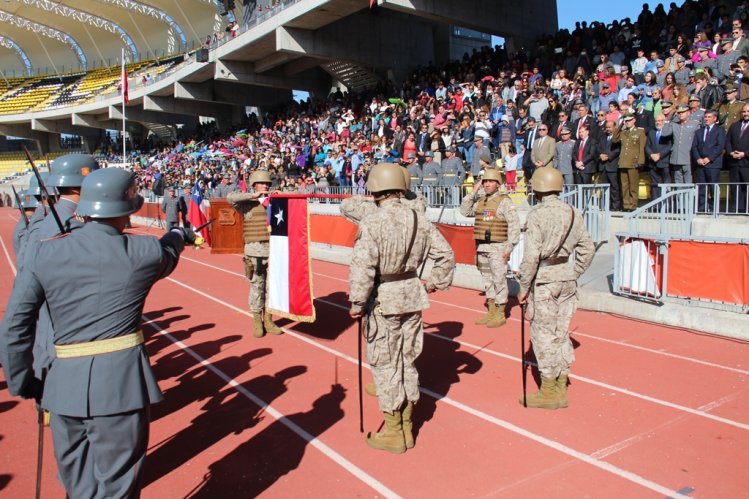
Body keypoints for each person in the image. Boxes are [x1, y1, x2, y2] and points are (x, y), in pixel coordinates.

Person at [0, 167, 190, 497]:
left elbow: (15, 325)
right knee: (117, 488)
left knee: (79, 489)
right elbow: (169, 251)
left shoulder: (44, 252)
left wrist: (23, 382)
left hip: (61, 389)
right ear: (128, 210)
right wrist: (178, 234)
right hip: (121, 389)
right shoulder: (143, 252)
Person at [348, 162, 455, 453]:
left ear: (375, 189)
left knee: (385, 364)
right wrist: (432, 283)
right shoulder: (419, 218)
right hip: (411, 295)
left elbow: (363, 268)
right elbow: (446, 255)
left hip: (384, 298)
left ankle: (395, 431)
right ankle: (407, 425)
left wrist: (357, 303)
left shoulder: (372, 221)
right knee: (407, 361)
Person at [517, 167, 595, 409]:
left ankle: (549, 389)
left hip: (544, 280)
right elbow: (587, 249)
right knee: (561, 333)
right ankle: (562, 384)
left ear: (537, 187)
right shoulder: (573, 212)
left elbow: (531, 257)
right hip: (566, 276)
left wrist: (523, 287)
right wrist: (575, 271)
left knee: (543, 335)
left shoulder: (537, 215)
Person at [459, 168, 520, 328]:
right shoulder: (480, 201)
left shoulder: (504, 202)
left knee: (499, 280)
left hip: (498, 247)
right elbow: (465, 211)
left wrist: (509, 248)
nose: (486, 184)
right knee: (488, 281)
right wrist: (473, 191)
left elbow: (514, 226)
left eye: (490, 181)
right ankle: (491, 310)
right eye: (484, 181)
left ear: (498, 183)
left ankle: (500, 312)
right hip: (482, 248)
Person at [227, 170, 284, 338]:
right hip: (254, 252)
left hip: (274, 250)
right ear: (254, 185)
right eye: (261, 183)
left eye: (267, 183)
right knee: (256, 286)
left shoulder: (275, 201)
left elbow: (299, 198)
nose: (265, 186)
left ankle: (269, 319)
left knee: (271, 288)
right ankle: (257, 320)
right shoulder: (247, 204)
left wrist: (283, 193)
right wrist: (253, 195)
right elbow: (230, 198)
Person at [691, 109, 726, 212]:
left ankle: (714, 208)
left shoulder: (720, 130)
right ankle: (702, 208)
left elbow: (720, 147)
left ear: (715, 118)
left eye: (709, 117)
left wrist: (709, 158)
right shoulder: (699, 131)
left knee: (713, 187)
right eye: (705, 117)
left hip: (713, 164)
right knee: (702, 187)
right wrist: (698, 158)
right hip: (700, 164)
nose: (706, 119)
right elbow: (694, 147)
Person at [612, 113, 647, 211]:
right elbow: (614, 139)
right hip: (623, 162)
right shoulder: (623, 132)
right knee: (624, 186)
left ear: (634, 120)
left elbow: (641, 148)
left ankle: (633, 205)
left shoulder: (640, 131)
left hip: (633, 162)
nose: (627, 122)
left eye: (629, 120)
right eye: (626, 121)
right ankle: (626, 205)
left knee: (633, 185)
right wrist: (620, 125)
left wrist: (640, 161)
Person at [725, 103, 749, 212]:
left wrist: (744, 154)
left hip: (747, 163)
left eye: (748, 111)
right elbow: (728, 141)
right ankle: (738, 209)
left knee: (747, 188)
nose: (745, 113)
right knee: (735, 187)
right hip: (735, 163)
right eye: (744, 111)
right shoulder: (735, 126)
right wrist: (731, 153)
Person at [646, 113, 674, 200]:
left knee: (666, 184)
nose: (659, 122)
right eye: (657, 121)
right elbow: (647, 146)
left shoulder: (668, 132)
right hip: (653, 162)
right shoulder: (652, 132)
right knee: (655, 184)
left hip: (664, 162)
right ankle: (656, 205)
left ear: (665, 121)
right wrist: (651, 154)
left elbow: (670, 146)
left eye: (661, 121)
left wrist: (660, 155)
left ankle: (667, 204)